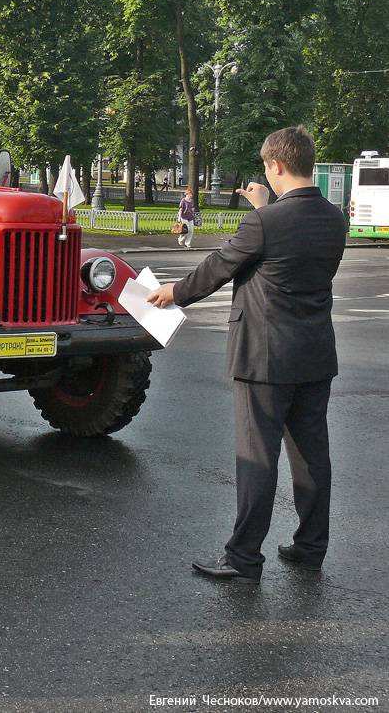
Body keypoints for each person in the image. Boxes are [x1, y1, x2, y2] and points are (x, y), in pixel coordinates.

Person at [147, 126, 347, 584]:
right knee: (311, 455)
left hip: (264, 359)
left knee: (257, 457)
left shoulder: (264, 223)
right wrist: (266, 208)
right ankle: (310, 547)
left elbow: (218, 267)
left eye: (266, 169)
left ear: (275, 166)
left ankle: (243, 558)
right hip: (315, 355)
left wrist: (173, 293)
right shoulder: (334, 218)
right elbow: (286, 241)